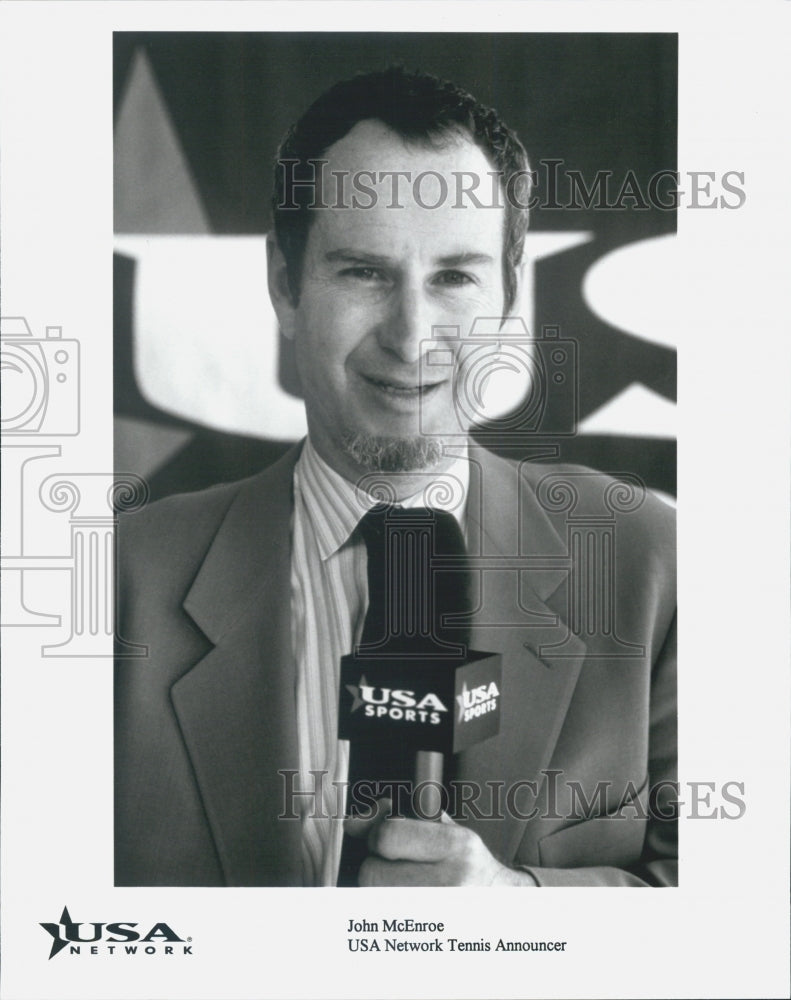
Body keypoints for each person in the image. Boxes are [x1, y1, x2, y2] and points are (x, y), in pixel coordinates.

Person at [114, 67, 676, 888]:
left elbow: (741, 915)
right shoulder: (113, 582)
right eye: (363, 272)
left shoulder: (651, 560)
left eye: (454, 277)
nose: (413, 336)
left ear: (511, 295)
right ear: (284, 285)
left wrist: (519, 912)